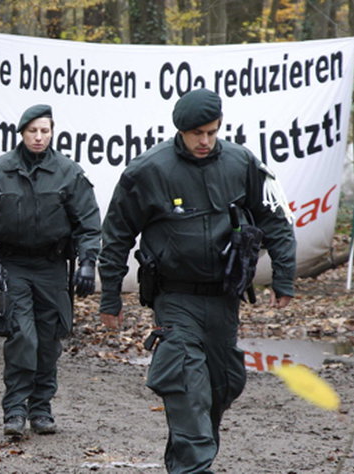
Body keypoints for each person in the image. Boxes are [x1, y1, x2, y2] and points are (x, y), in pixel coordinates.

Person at [98, 88, 296, 473]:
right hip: (174, 299)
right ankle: (194, 467)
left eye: (211, 132)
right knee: (186, 386)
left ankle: (187, 461)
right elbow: (117, 234)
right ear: (181, 132)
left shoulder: (242, 163)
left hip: (224, 298)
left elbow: (275, 217)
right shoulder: (148, 171)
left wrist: (284, 277)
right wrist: (110, 297)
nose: (204, 141)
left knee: (218, 389)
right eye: (196, 134)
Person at [0, 104, 101, 436]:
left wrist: (87, 261)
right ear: (22, 133)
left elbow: (88, 222)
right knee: (21, 335)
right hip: (12, 267)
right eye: (33, 131)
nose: (39, 137)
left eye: (45, 131)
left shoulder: (68, 173)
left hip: (52, 267)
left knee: (47, 339)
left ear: (53, 131)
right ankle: (15, 409)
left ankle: (41, 408)